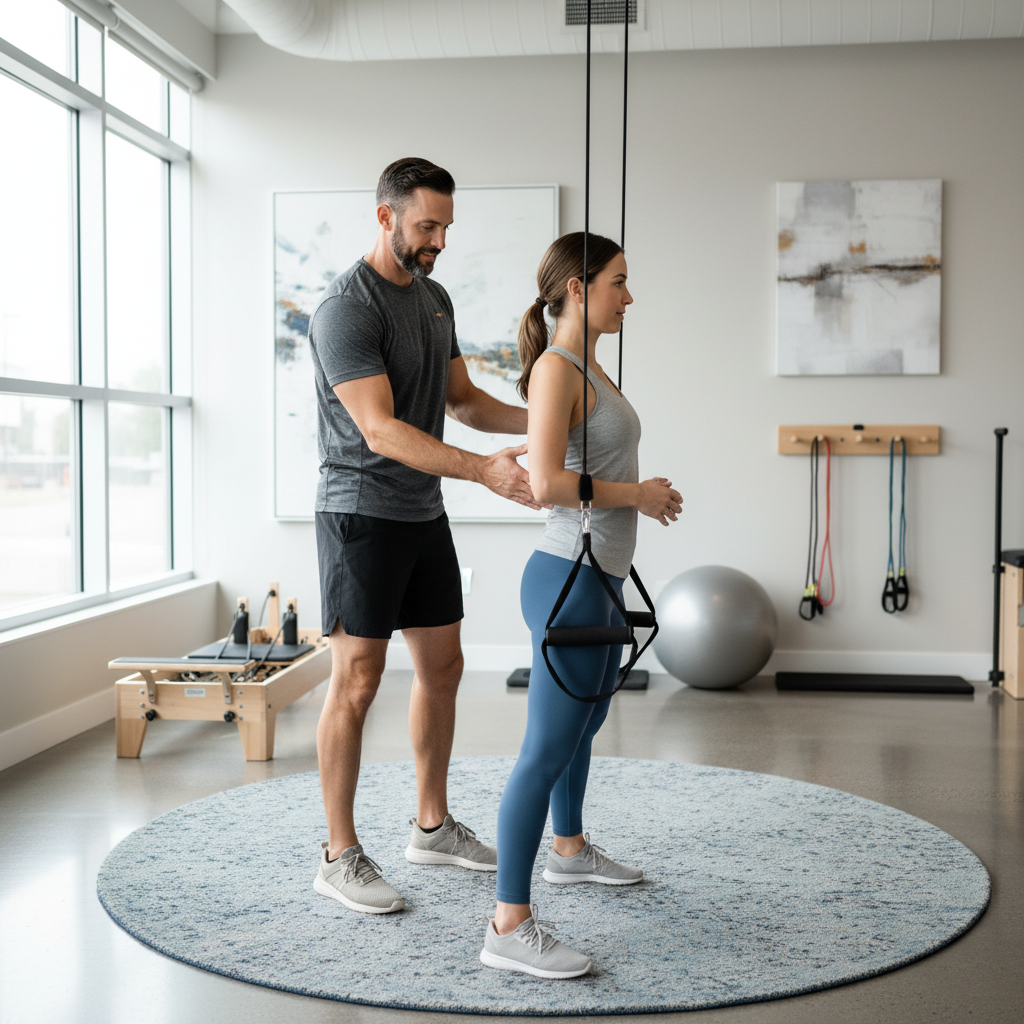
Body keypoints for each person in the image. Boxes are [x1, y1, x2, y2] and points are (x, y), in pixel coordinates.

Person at [308, 157, 543, 915]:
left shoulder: (434, 299)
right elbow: (379, 430)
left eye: (445, 227)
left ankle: (432, 827)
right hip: (360, 515)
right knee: (358, 679)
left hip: (420, 511)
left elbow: (464, 400)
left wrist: (552, 423)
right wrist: (483, 472)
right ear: (385, 217)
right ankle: (338, 854)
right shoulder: (346, 309)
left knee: (443, 667)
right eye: (426, 226)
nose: (438, 240)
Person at [479, 232, 682, 978]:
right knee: (544, 750)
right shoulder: (555, 371)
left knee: (584, 726)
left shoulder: (589, 364)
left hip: (599, 575)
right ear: (577, 287)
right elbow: (546, 484)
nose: (629, 296)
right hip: (567, 576)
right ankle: (507, 924)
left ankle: (568, 850)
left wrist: (634, 498)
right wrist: (639, 495)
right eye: (618, 282)